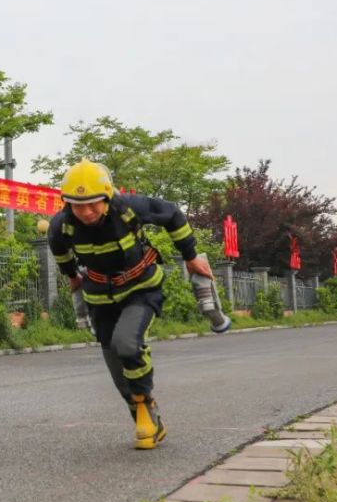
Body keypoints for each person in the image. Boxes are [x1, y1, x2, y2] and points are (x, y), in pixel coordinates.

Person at [47, 159, 213, 449]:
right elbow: (58, 249)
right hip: (100, 297)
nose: (85, 212)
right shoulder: (62, 225)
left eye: (93, 204)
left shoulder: (128, 209)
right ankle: (145, 414)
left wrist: (190, 256)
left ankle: (144, 402)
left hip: (141, 289)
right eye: (76, 204)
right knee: (115, 364)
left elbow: (173, 214)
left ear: (107, 197)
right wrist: (72, 276)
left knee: (127, 344)